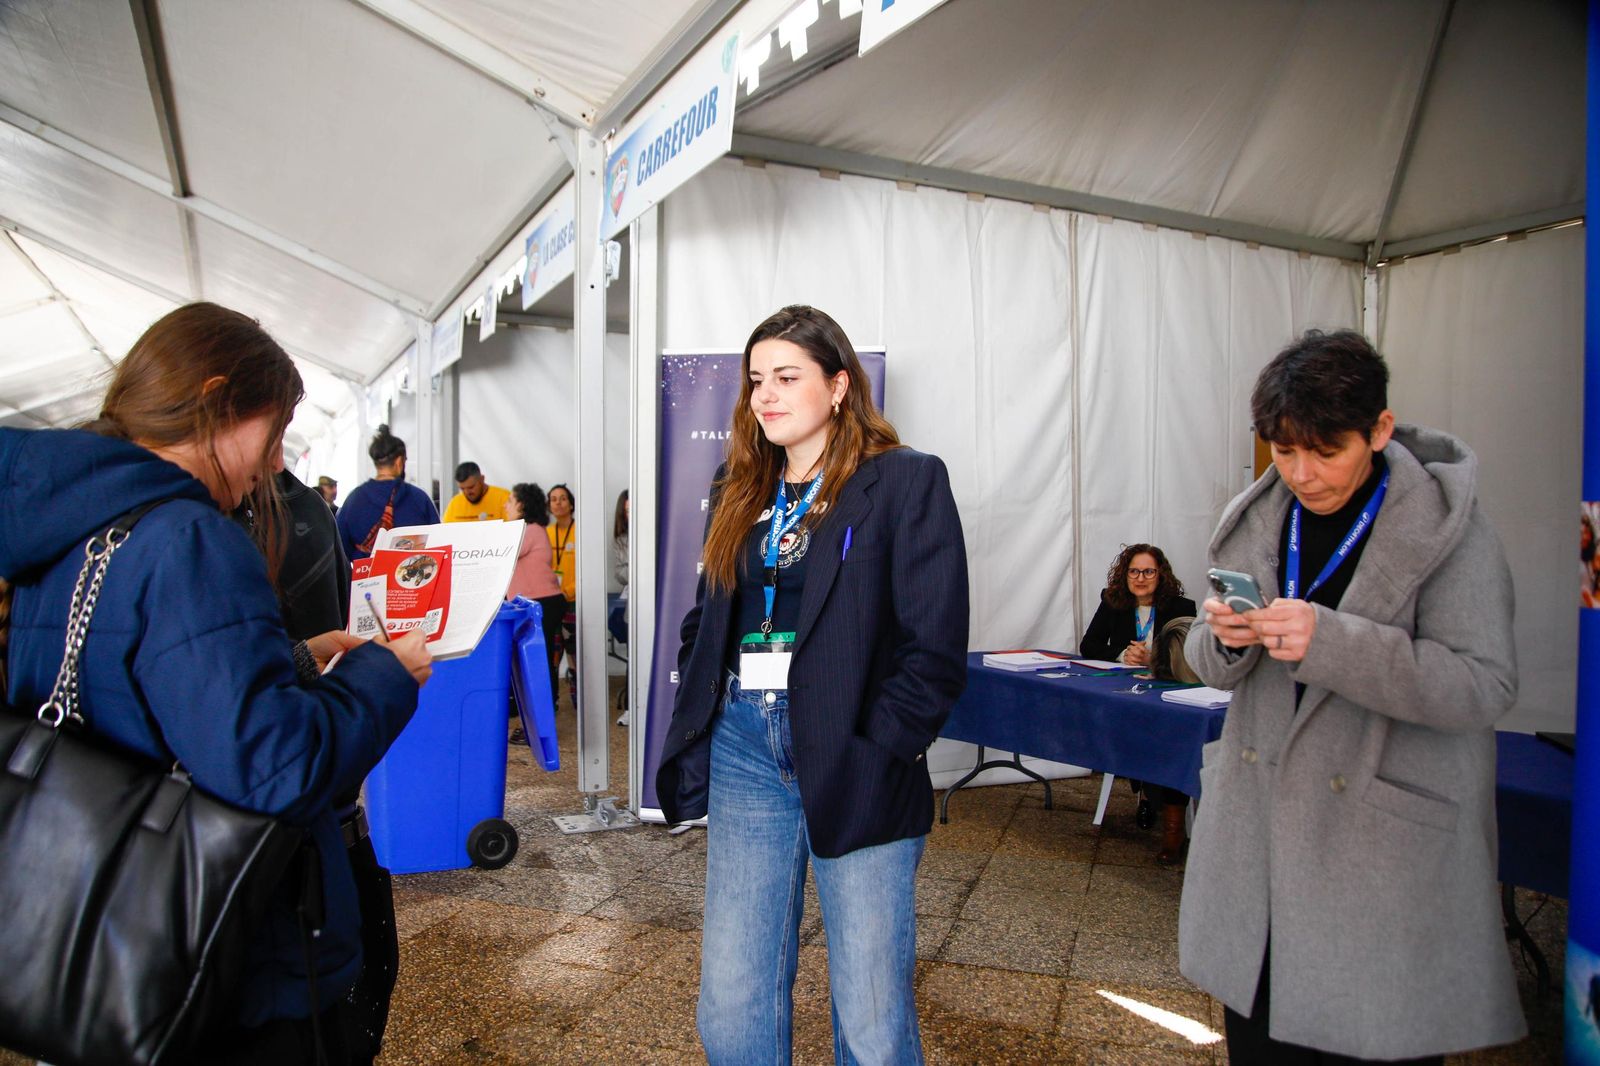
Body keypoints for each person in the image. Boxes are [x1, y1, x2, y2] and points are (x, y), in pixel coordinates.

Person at [0, 302, 433, 1064]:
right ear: (216, 398)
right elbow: (277, 771)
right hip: (218, 965)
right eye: (271, 436)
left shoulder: (58, 528)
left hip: (88, 932)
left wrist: (293, 662)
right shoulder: (191, 537)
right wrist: (378, 674)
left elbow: (139, 693)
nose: (273, 465)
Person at [1179, 329, 1523, 1063]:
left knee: (1365, 1040)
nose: (1302, 472)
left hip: (1375, 861)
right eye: (1284, 449)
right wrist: (1228, 640)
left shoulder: (1451, 531)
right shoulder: (1256, 515)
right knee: (1261, 1042)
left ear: (1380, 431)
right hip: (1263, 856)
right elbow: (1211, 662)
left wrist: (1334, 643)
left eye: (1326, 451)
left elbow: (1483, 685)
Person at [656, 304, 969, 1065]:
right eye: (756, 379)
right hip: (743, 746)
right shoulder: (742, 482)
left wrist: (883, 744)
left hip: (855, 745)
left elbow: (935, 641)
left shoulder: (903, 481)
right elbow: (711, 614)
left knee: (870, 1011)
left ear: (837, 386)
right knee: (733, 997)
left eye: (787, 376)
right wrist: (703, 703)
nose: (765, 394)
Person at [1079, 543, 1196, 862]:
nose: (1140, 578)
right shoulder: (1113, 601)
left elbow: (1191, 654)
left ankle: (1173, 831)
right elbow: (1088, 646)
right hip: (1124, 690)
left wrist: (1154, 657)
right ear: (1124, 574)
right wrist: (1122, 654)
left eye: (1148, 571)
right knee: (1132, 727)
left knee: (1171, 736)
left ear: (1161, 575)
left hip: (1168, 690)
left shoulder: (1181, 606)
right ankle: (1147, 793)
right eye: (1134, 571)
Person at [336, 425, 439, 562]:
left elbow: (340, 545)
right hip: (410, 577)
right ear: (399, 461)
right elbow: (438, 543)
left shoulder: (353, 499)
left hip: (365, 579)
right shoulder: (418, 498)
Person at [505, 482, 565, 707]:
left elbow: (505, 551)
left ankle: (542, 712)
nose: (505, 505)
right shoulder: (529, 530)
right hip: (535, 603)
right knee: (535, 658)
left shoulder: (530, 530)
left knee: (537, 660)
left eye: (510, 501)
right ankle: (537, 710)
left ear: (521, 505)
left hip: (541, 603)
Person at [546, 483, 577, 698]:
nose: (558, 503)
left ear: (571, 504)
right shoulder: (545, 533)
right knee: (552, 654)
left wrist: (568, 591)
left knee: (576, 653)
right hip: (551, 601)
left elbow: (589, 569)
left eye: (563, 498)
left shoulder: (581, 532)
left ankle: (578, 697)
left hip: (573, 602)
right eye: (554, 499)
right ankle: (552, 698)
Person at [442, 461, 510, 523]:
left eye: (471, 487)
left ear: (482, 479)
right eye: (462, 489)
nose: (466, 492)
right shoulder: (455, 503)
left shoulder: (503, 498)